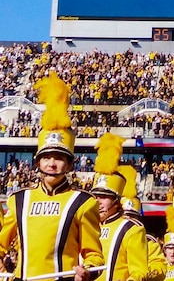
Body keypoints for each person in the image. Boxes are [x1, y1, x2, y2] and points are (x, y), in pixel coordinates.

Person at [0, 73, 105, 281]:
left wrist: (89, 270)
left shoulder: (84, 202)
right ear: (38, 162)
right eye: (46, 157)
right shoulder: (18, 200)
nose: (52, 163)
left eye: (59, 158)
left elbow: (94, 255)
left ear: (69, 164)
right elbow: (2, 243)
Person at [89, 133, 149, 281]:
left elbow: (139, 272)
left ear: (116, 201)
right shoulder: (86, 225)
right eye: (96, 197)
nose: (98, 202)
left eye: (104, 197)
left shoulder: (132, 230)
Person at [118, 168, 166, 281]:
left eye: (132, 216)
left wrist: (143, 273)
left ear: (138, 218)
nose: (128, 220)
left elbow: (159, 267)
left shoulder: (148, 242)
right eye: (125, 216)